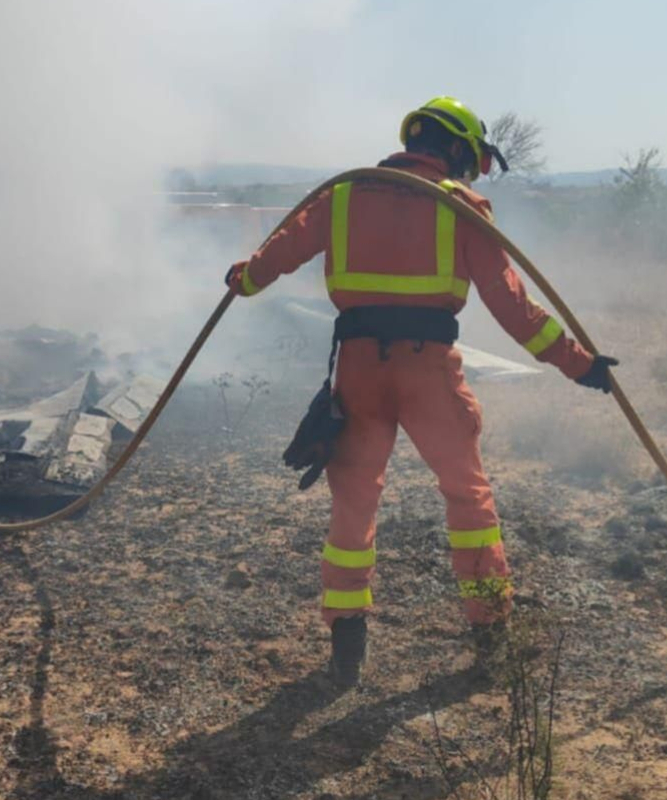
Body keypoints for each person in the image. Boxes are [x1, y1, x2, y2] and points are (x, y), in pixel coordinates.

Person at [225, 97, 618, 686]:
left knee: (353, 503)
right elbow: (515, 308)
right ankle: (490, 634)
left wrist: (243, 278)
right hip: (428, 371)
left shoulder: (342, 198)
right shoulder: (462, 209)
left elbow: (268, 263)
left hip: (358, 371)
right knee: (468, 500)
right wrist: (579, 365)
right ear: (457, 148)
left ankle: (347, 647)